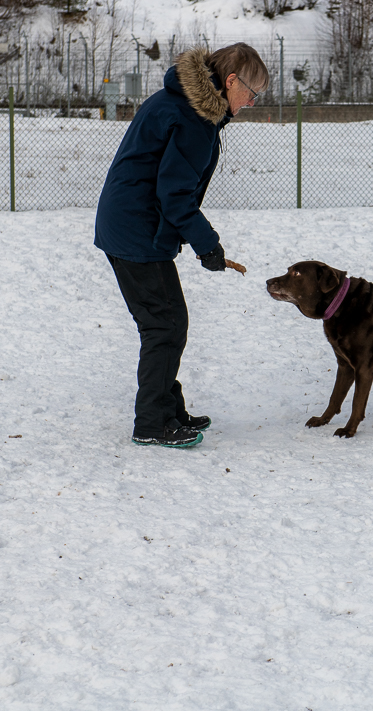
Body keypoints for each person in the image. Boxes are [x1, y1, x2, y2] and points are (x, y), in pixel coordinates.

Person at [94, 43, 268, 447]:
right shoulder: (193, 119)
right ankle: (153, 423)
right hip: (137, 230)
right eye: (251, 92)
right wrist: (209, 247)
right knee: (165, 326)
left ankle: (167, 408)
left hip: (129, 224)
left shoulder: (181, 102)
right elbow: (175, 196)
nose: (252, 102)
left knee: (168, 323)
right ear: (230, 82)